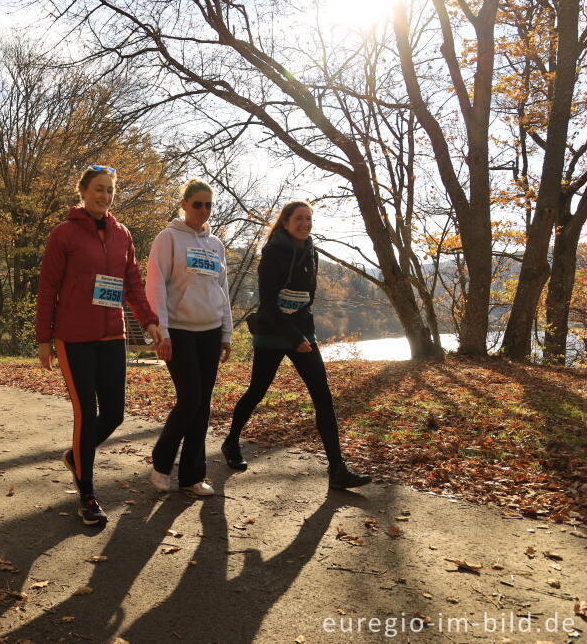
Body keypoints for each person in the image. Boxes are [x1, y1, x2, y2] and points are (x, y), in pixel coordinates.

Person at [35, 164, 163, 525]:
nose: (104, 195)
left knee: (115, 413)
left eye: (109, 190)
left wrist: (149, 319)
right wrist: (44, 337)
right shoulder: (63, 234)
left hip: (112, 334)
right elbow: (47, 288)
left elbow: (133, 284)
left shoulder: (123, 234)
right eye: (98, 189)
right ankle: (87, 494)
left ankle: (76, 457)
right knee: (85, 414)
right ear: (83, 191)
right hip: (74, 337)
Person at [221, 201, 371, 489]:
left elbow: (305, 298)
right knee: (257, 391)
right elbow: (267, 302)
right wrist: (294, 336)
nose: (305, 223)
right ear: (286, 222)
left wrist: (306, 335)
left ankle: (337, 470)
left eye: (309, 218)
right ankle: (231, 442)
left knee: (323, 397)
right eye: (299, 218)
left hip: (302, 333)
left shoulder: (310, 251)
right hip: (272, 333)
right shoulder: (273, 253)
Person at [146, 179, 232, 496]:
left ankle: (193, 475)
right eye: (198, 203)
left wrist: (226, 333)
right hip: (179, 332)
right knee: (191, 399)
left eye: (209, 205)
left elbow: (221, 291)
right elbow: (155, 286)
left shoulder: (216, 245)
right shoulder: (168, 238)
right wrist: (161, 331)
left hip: (210, 332)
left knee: (203, 404)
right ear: (184, 205)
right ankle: (162, 461)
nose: (204, 210)